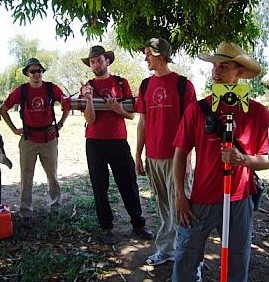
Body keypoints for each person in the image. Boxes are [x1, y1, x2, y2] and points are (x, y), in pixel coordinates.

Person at [172, 41, 269, 281]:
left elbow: (267, 158)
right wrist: (180, 196)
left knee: (237, 263)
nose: (216, 71)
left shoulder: (258, 113)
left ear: (239, 72)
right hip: (200, 200)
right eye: (215, 66)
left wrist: (243, 159)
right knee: (185, 258)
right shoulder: (197, 110)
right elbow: (180, 152)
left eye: (224, 66)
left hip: (239, 200)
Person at [80, 45, 154, 244]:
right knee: (99, 187)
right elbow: (91, 120)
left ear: (107, 61)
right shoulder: (87, 86)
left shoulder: (121, 83)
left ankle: (138, 224)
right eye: (93, 61)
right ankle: (107, 228)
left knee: (128, 183)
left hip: (118, 142)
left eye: (99, 60)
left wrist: (118, 109)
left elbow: (131, 115)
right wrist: (88, 100)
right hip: (94, 143)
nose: (96, 64)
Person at [135, 38, 197, 266]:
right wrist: (138, 154)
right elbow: (142, 122)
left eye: (148, 53)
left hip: (176, 157)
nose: (145, 58)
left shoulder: (183, 85)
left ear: (160, 54)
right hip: (153, 157)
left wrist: (188, 158)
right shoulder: (145, 85)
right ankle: (167, 249)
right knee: (164, 207)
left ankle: (189, 257)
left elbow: (191, 125)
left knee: (182, 206)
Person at [0, 58, 69, 224]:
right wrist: (14, 129)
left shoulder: (51, 88)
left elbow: (67, 104)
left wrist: (59, 124)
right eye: (32, 71)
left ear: (42, 72)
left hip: (49, 139)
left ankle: (55, 207)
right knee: (26, 176)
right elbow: (3, 109)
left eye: (39, 71)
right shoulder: (22, 91)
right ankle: (26, 213)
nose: (36, 74)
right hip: (28, 139)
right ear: (27, 74)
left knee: (52, 175)